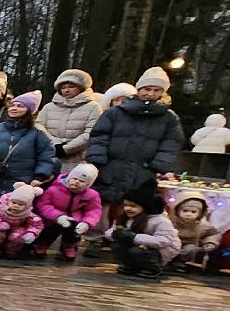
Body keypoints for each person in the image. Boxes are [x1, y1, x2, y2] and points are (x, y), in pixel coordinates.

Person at [86, 67, 184, 214]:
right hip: (111, 167)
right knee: (104, 205)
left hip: (143, 170)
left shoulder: (168, 118)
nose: (150, 94)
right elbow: (100, 135)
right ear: (139, 89)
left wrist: (158, 164)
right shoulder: (116, 112)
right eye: (147, 89)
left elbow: (171, 142)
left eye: (156, 90)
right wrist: (97, 159)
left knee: (135, 206)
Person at [0, 90, 57, 212]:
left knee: (12, 214)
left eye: (20, 106)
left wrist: (39, 176)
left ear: (30, 111)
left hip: (20, 182)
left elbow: (46, 157)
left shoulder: (38, 133)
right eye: (13, 105)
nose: (14, 108)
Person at [102, 182, 181, 278]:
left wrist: (134, 237)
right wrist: (115, 234)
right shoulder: (126, 218)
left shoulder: (160, 221)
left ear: (144, 207)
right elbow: (111, 231)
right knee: (117, 245)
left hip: (160, 250)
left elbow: (163, 240)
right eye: (125, 205)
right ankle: (130, 266)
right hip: (137, 245)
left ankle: (153, 268)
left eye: (133, 206)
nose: (128, 208)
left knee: (137, 251)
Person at [33, 162, 103, 260]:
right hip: (53, 216)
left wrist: (87, 222)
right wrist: (57, 216)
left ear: (88, 184)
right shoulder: (53, 189)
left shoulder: (92, 195)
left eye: (82, 181)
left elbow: (94, 210)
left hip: (75, 217)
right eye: (75, 178)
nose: (77, 182)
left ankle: (69, 245)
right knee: (51, 227)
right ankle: (43, 243)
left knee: (76, 228)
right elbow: (43, 205)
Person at [38, 69, 100, 172]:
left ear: (81, 87)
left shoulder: (94, 107)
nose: (66, 90)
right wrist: (54, 144)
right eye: (63, 88)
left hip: (77, 160)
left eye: (71, 86)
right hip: (48, 156)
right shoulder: (49, 107)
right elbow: (39, 126)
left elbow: (92, 132)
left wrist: (66, 148)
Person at [0, 182, 45, 258]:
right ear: (9, 201)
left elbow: (36, 224)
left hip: (16, 229)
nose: (16, 206)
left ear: (27, 206)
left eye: (20, 204)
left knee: (18, 235)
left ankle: (11, 250)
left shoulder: (28, 214)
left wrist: (31, 233)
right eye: (13, 202)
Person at [169, 194, 223, 267]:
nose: (188, 214)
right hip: (172, 242)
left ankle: (180, 262)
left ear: (200, 213)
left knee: (190, 249)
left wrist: (210, 243)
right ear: (177, 210)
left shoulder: (203, 225)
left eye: (193, 212)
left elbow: (213, 234)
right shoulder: (171, 221)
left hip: (190, 245)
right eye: (185, 211)